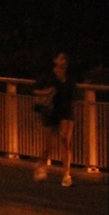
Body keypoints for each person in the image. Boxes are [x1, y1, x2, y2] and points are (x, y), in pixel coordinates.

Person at [33, 52, 77, 187]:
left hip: (66, 111)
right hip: (51, 110)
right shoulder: (48, 75)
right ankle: (41, 166)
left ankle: (66, 175)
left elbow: (73, 93)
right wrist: (46, 92)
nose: (64, 61)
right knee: (49, 145)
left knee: (65, 140)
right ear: (55, 60)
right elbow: (34, 89)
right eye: (61, 58)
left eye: (66, 59)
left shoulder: (69, 76)